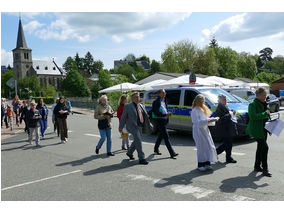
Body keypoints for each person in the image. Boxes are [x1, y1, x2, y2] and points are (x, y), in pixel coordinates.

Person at [119, 92, 152, 165]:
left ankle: (129, 152)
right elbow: (123, 117)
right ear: (132, 98)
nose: (138, 98)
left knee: (136, 140)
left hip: (140, 126)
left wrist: (149, 124)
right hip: (132, 126)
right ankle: (142, 158)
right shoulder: (128, 106)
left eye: (138, 97)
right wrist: (120, 127)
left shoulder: (141, 105)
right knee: (138, 140)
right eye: (136, 97)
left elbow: (145, 116)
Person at [247, 87, 272, 177]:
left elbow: (267, 111)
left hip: (264, 128)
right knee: (265, 148)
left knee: (260, 148)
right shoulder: (252, 104)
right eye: (264, 95)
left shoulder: (264, 103)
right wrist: (265, 114)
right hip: (256, 130)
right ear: (258, 95)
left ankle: (257, 166)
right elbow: (253, 116)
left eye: (266, 95)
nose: (265, 97)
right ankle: (265, 169)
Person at [191, 94, 218, 171]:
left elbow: (205, 120)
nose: (203, 102)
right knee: (201, 148)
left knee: (208, 146)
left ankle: (207, 163)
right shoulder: (195, 110)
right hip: (198, 131)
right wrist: (209, 120)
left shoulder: (202, 109)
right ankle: (200, 164)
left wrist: (212, 119)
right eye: (202, 101)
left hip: (205, 130)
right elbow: (197, 122)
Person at [152, 89, 178, 158]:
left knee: (161, 135)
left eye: (165, 92)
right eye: (163, 93)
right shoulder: (156, 102)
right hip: (160, 121)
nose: (165, 94)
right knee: (166, 137)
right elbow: (155, 112)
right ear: (159, 94)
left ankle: (155, 149)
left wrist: (167, 114)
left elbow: (165, 109)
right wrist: (165, 114)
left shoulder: (164, 101)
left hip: (164, 120)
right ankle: (172, 153)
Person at [215, 94, 237, 164]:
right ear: (220, 100)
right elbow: (220, 119)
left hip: (228, 128)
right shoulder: (219, 108)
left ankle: (226, 157)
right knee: (227, 144)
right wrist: (229, 115)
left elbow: (228, 113)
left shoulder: (225, 106)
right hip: (224, 128)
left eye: (225, 99)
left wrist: (232, 112)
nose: (226, 100)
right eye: (224, 99)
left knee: (228, 143)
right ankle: (217, 154)